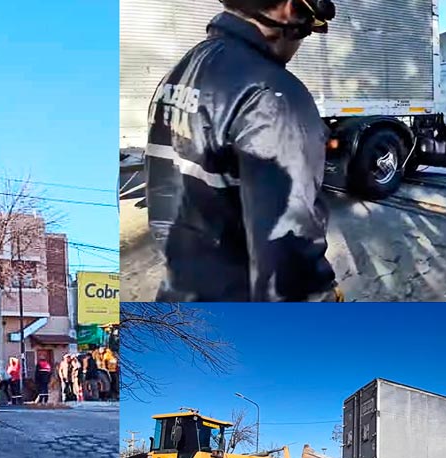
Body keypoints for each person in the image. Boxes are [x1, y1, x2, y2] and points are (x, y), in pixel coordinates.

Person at [145, 0, 341, 302]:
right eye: (307, 32)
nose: (300, 45)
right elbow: (287, 261)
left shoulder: (180, 71)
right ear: (291, 11)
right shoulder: (273, 96)